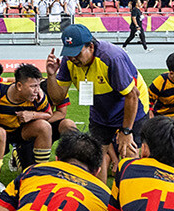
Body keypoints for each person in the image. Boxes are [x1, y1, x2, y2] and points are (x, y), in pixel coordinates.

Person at [46, 24, 147, 176]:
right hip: (101, 109)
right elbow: (57, 98)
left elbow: (132, 95)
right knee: (97, 156)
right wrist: (51, 76)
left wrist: (126, 131)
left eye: (77, 53)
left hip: (131, 107)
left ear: (91, 47)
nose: (73, 58)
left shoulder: (111, 58)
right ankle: (100, 196)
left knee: (128, 152)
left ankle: (131, 195)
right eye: (69, 53)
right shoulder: (69, 61)